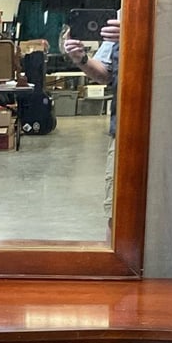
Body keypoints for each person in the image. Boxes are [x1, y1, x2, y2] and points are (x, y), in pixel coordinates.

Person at [63, 13, 120, 224]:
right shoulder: (117, 20)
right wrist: (81, 58)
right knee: (116, 211)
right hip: (125, 128)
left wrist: (138, 34)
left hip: (171, 125)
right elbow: (105, 74)